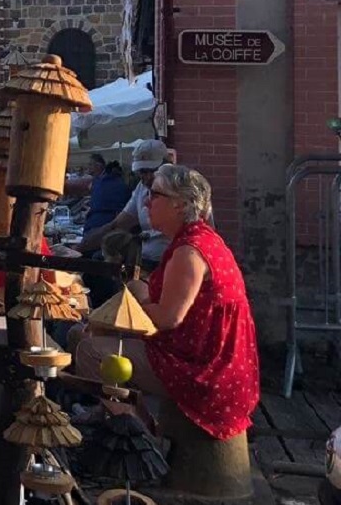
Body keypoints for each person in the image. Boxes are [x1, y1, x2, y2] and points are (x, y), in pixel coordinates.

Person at [76, 165, 259, 439]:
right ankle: (115, 415)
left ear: (180, 204)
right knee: (86, 332)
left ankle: (140, 436)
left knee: (89, 350)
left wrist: (129, 304)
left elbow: (168, 318)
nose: (147, 202)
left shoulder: (189, 251)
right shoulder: (198, 240)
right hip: (205, 357)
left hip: (203, 371)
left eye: (155, 194)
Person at [79, 140, 171, 270]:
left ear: (165, 166)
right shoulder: (141, 188)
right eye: (141, 172)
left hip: (165, 260)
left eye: (149, 171)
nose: (145, 177)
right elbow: (118, 224)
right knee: (99, 260)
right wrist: (81, 247)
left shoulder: (175, 191)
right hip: (144, 256)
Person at [70, 155, 131, 239]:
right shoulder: (116, 182)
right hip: (111, 227)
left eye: (91, 164)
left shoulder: (101, 183)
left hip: (99, 226)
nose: (88, 167)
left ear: (98, 166)